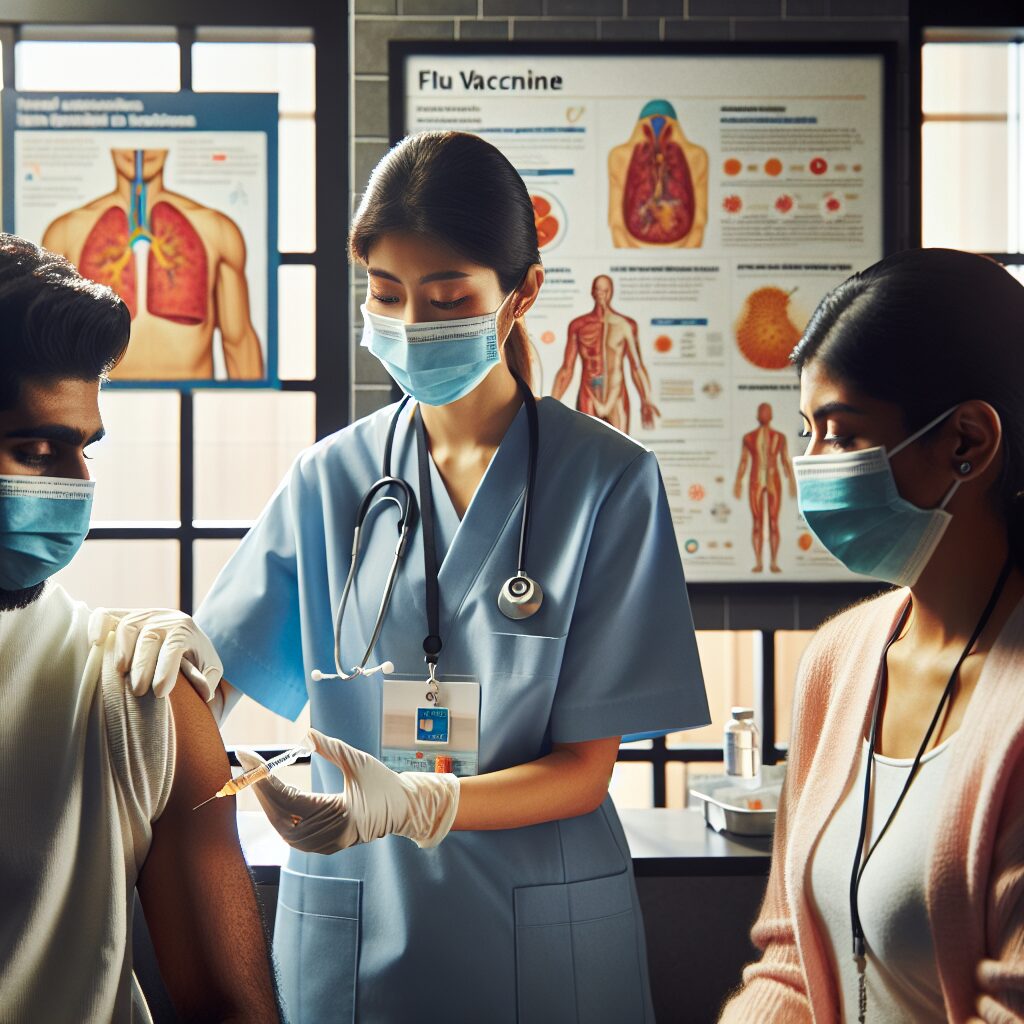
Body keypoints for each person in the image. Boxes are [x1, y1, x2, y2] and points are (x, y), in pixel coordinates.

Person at [182, 131, 710, 1023]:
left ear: (522, 295)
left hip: (541, 929)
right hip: (353, 925)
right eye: (386, 294)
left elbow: (585, 771)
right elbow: (210, 688)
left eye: (447, 296)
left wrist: (421, 802)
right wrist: (154, 660)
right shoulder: (330, 479)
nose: (413, 323)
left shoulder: (607, 482)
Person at [719, 249, 1024, 1023]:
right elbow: (789, 962)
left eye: (843, 434)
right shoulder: (839, 660)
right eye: (807, 430)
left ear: (968, 442)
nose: (810, 465)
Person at [0, 235, 281, 1022]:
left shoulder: (133, 689)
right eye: (37, 449)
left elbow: (234, 1011)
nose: (79, 487)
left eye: (85, 450)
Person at [42, 147, 263, 381]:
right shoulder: (66, 233)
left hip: (192, 403)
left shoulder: (216, 229)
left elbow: (239, 341)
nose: (141, 150)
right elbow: (48, 343)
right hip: (100, 406)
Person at [551, 273, 661, 434]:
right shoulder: (578, 325)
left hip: (616, 395)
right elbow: (567, 368)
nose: (601, 294)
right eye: (598, 290)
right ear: (592, 292)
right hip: (589, 393)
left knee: (621, 451)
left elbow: (636, 366)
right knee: (587, 447)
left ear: (611, 292)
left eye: (605, 290)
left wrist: (647, 400)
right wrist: (551, 404)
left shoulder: (626, 325)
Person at [733, 402, 797, 574]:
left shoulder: (780, 437)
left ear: (771, 415)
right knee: (757, 522)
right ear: (757, 415)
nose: (764, 414)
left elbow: (785, 460)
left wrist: (791, 480)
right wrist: (738, 481)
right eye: (761, 411)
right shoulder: (748, 438)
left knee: (774, 522)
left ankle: (774, 561)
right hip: (755, 480)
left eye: (767, 411)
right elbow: (744, 461)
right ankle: (759, 562)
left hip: (773, 479)